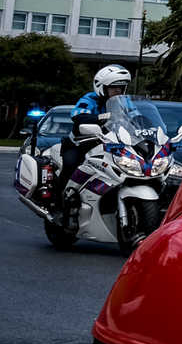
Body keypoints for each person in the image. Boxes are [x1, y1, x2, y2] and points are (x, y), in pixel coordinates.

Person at [53, 64, 131, 224]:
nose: (118, 92)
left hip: (109, 144)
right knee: (70, 165)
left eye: (121, 88)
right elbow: (78, 116)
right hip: (80, 145)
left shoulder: (125, 103)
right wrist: (105, 116)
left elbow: (136, 118)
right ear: (102, 88)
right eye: (114, 88)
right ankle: (59, 205)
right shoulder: (89, 99)